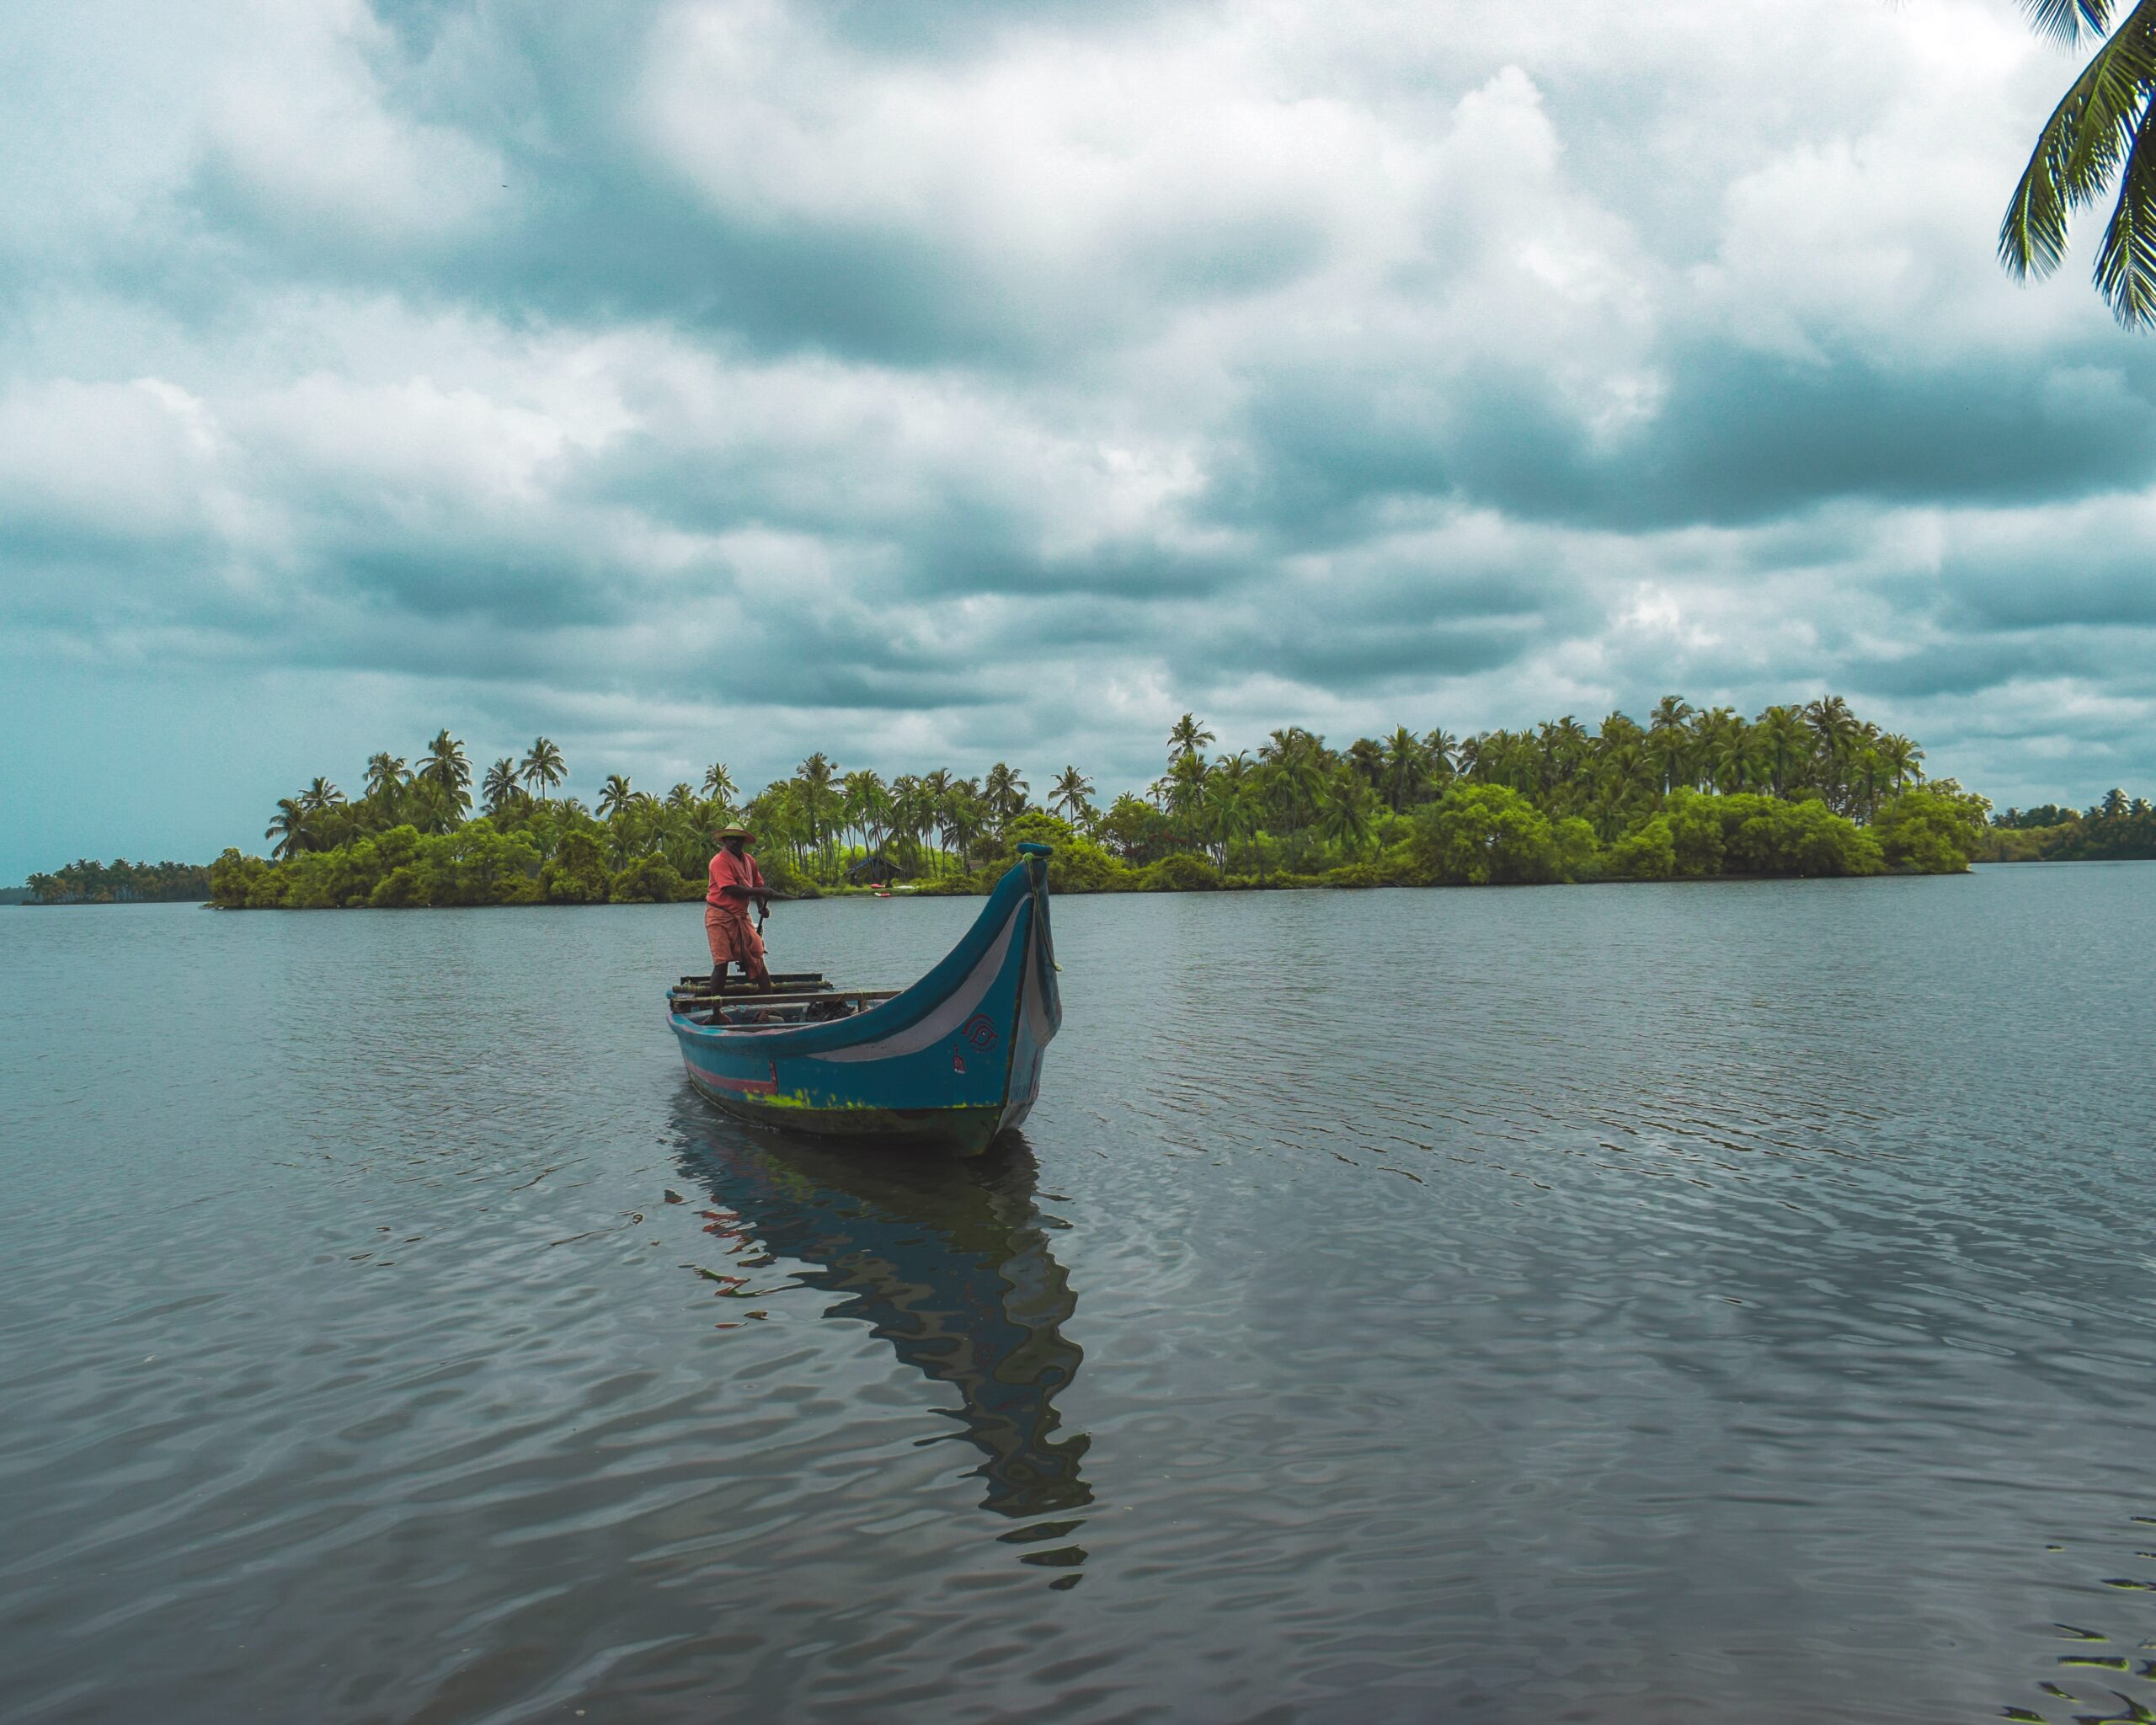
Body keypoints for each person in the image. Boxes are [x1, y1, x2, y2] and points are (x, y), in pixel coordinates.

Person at [705, 825, 773, 991]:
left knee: (757, 954)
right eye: (731, 838)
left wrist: (760, 906)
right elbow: (729, 888)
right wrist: (759, 891)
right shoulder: (719, 861)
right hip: (719, 917)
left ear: (743, 841)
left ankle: (770, 1003)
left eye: (739, 838)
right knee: (722, 962)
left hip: (742, 916)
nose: (735, 841)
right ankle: (716, 1007)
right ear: (725, 840)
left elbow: (758, 884)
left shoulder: (749, 861)